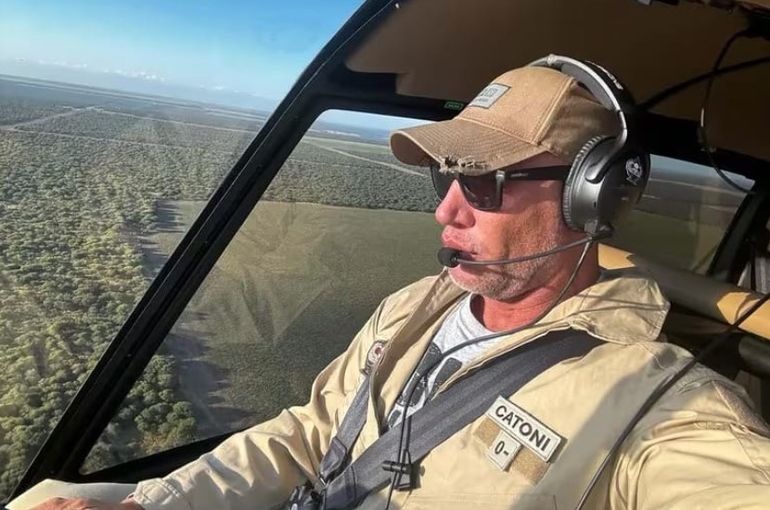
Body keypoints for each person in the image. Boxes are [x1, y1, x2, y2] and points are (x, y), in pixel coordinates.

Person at [28, 64, 770, 510]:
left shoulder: (653, 402)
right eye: (445, 176)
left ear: (591, 197)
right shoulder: (416, 305)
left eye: (485, 181)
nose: (446, 207)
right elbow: (313, 432)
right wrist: (159, 503)